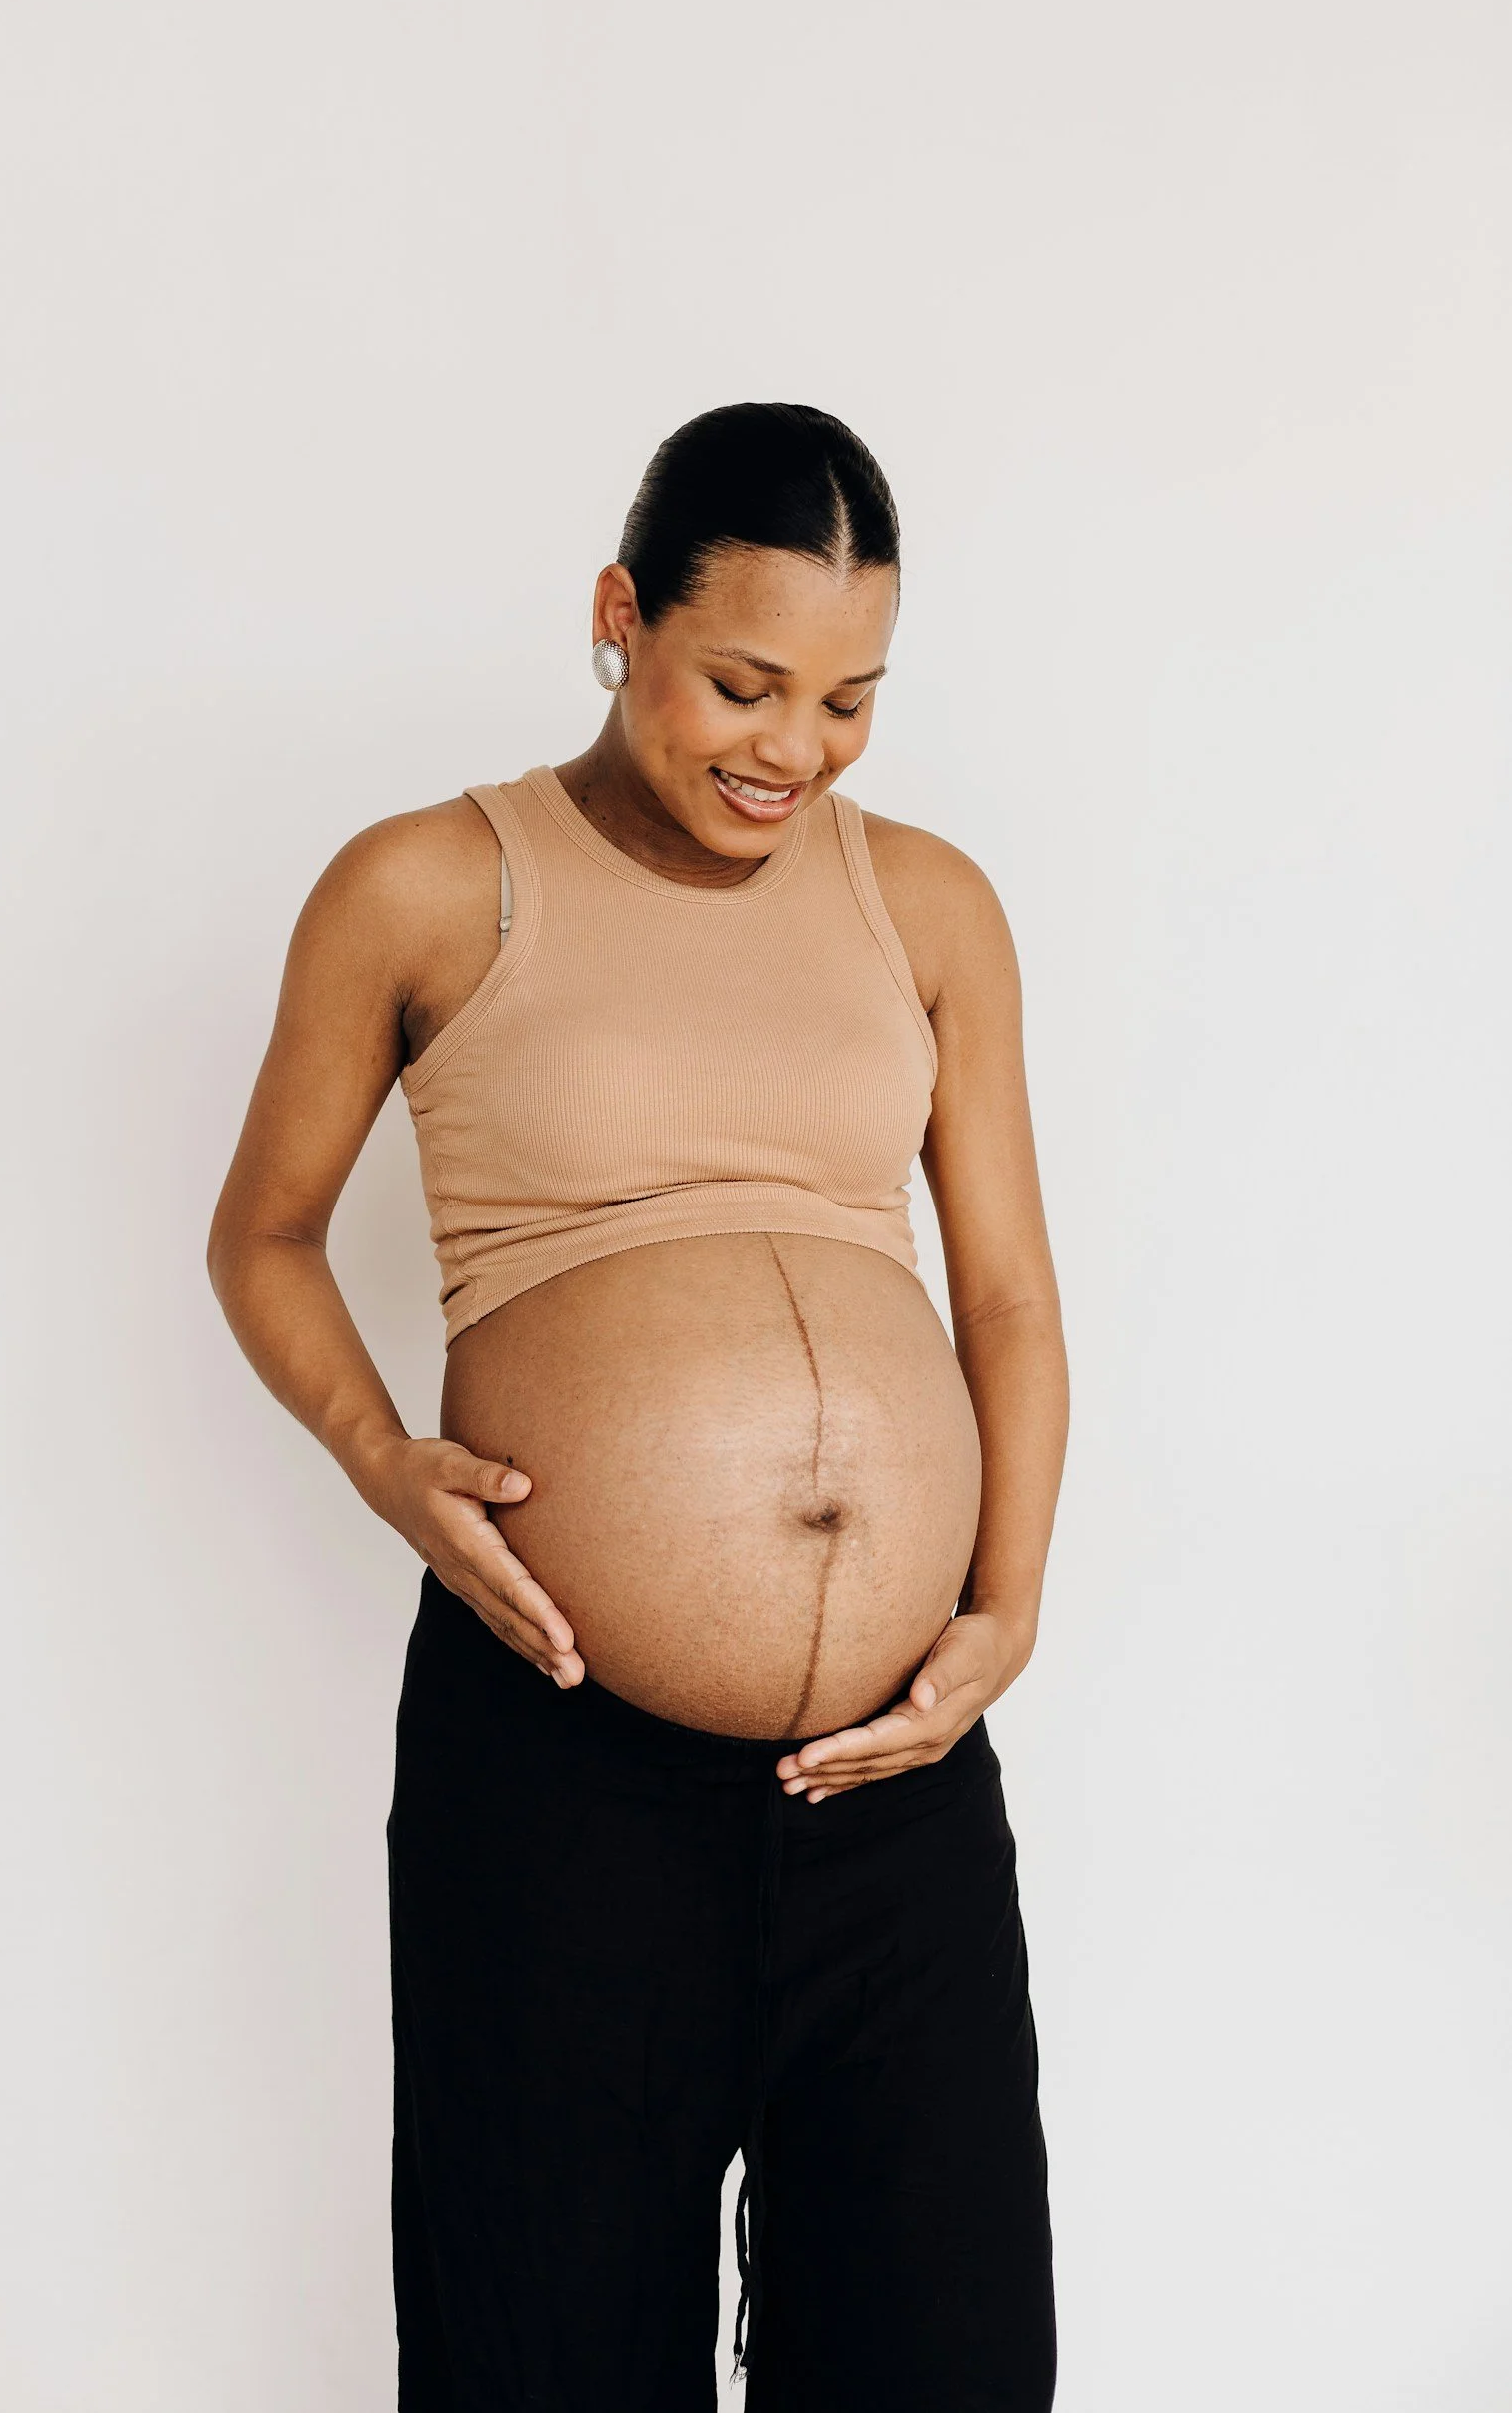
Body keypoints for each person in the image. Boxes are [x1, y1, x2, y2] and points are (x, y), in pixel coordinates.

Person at [207, 401, 1067, 2411]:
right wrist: (380, 1459)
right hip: (562, 1755)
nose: (793, 750)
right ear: (618, 616)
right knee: (547, 2355)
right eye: (741, 685)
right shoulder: (428, 883)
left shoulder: (927, 904)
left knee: (946, 2353)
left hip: (896, 1765)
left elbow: (1008, 1295)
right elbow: (264, 1233)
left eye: (849, 699)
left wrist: (1003, 1611)